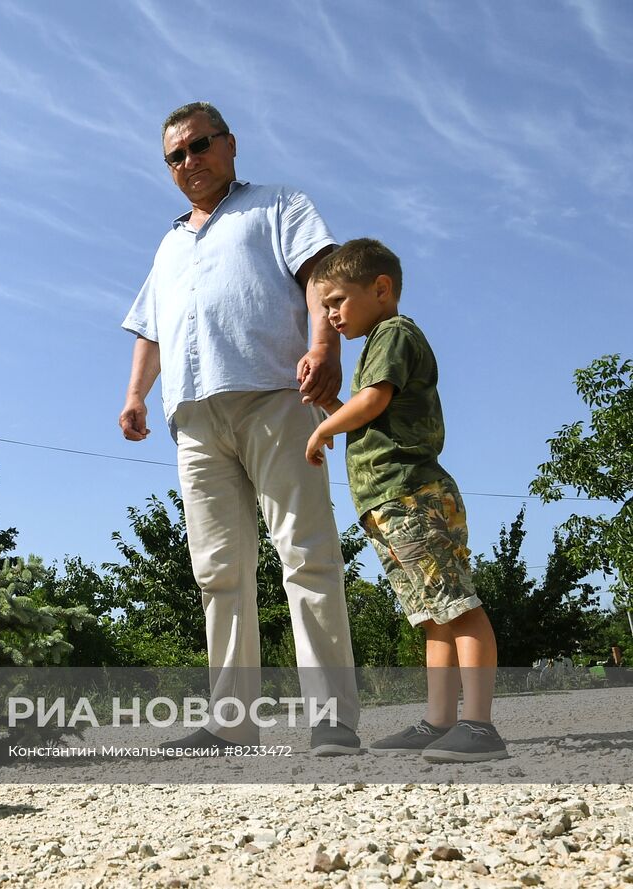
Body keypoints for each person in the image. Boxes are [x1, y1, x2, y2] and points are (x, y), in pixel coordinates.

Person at [120, 101, 361, 756]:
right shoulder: (169, 244)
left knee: (305, 552)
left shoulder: (279, 205)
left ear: (229, 145)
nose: (188, 162)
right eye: (175, 155)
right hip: (194, 417)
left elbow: (322, 275)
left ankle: (332, 717)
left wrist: (327, 347)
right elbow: (151, 326)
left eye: (199, 146)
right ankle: (231, 720)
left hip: (275, 396)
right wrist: (136, 393)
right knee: (217, 570)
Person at [306, 238, 507, 762]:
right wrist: (330, 403)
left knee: (456, 605)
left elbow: (374, 401)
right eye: (324, 307)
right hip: (393, 500)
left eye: (337, 303)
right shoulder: (380, 341)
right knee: (431, 613)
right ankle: (440, 722)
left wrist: (324, 426)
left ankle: (479, 725)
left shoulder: (393, 332)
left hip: (410, 495)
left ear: (381, 289)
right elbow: (374, 413)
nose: (330, 317)